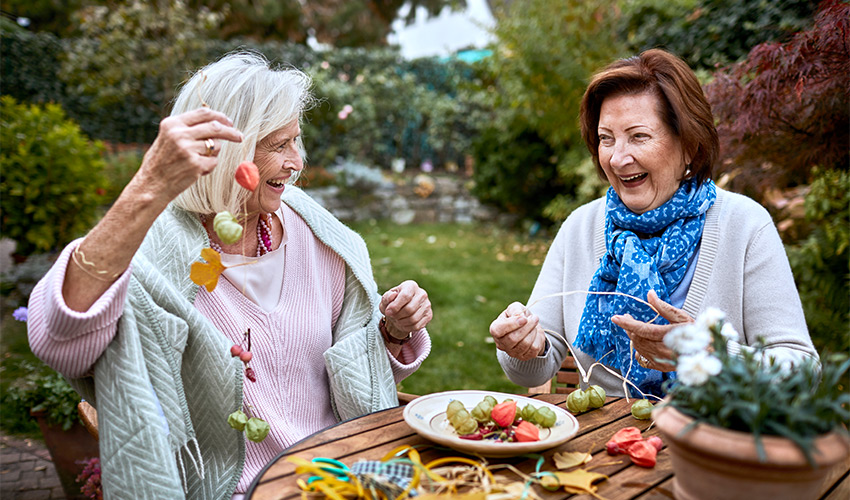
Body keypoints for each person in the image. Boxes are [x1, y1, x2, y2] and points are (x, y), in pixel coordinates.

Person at [27, 52, 432, 498]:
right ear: (226, 155)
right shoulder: (155, 251)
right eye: (279, 145)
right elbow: (57, 340)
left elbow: (358, 379)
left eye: (296, 141)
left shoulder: (321, 238)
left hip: (343, 475)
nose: (297, 162)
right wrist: (149, 185)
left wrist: (392, 332)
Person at [488, 49, 817, 398]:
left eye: (639, 136)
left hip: (712, 442)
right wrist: (523, 345)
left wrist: (711, 353)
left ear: (689, 144)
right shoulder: (581, 227)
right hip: (602, 446)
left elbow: (803, 372)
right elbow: (536, 364)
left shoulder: (745, 226)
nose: (617, 158)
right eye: (606, 138)